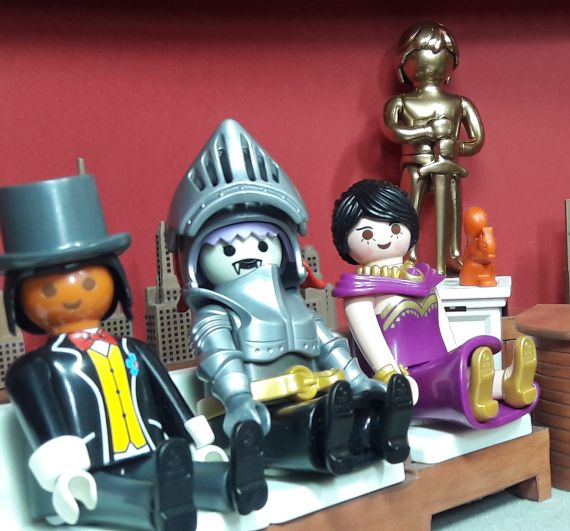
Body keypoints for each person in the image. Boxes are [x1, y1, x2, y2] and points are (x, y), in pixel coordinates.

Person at [1, 173, 266, 531]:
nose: (72, 294)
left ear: (114, 282)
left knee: (179, 473)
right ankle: (161, 509)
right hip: (85, 473)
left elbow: (168, 398)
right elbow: (44, 425)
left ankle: (231, 485)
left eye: (90, 282)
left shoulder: (134, 350)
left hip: (148, 450)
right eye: (47, 290)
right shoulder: (33, 370)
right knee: (117, 495)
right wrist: (64, 471)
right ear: (20, 298)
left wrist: (195, 439)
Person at [167, 119, 412, 476]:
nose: (248, 256)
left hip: (318, 394)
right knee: (309, 425)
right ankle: (335, 443)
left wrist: (358, 379)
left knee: (351, 410)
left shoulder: (293, 302)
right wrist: (238, 401)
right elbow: (220, 359)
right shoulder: (217, 313)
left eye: (263, 244)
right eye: (227, 248)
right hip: (256, 414)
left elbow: (328, 343)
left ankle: (384, 433)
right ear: (195, 259)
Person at [332, 179, 537, 429]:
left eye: (395, 227)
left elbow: (442, 326)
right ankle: (475, 397)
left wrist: (456, 359)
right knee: (444, 385)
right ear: (345, 240)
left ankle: (508, 383)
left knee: (466, 373)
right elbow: (370, 340)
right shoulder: (360, 290)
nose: (384, 238)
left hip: (439, 366)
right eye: (367, 233)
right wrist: (391, 376)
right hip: (405, 376)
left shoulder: (423, 278)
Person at [383, 21, 485, 274]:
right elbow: (392, 130)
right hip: (414, 164)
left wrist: (455, 146)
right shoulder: (401, 102)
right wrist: (428, 131)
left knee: (452, 206)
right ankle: (409, 254)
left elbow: (477, 140)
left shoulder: (459, 103)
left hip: (448, 167)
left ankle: (453, 254)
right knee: (410, 207)